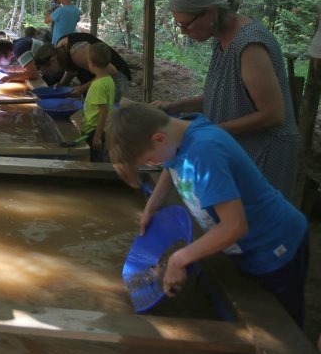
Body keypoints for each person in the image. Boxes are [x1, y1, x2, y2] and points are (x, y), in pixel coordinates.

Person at [106, 103, 309, 326]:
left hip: (275, 245)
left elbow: (235, 226)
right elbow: (170, 164)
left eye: (149, 161)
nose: (152, 164)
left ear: (158, 138)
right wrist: (151, 207)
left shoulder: (203, 154)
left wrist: (178, 258)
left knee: (283, 321)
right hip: (247, 245)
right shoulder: (178, 131)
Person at [153, 0, 299, 200]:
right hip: (239, 145)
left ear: (210, 13)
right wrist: (176, 106)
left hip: (265, 150)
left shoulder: (250, 45)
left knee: (257, 221)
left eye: (186, 24)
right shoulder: (220, 40)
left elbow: (273, 115)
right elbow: (225, 95)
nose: (183, 32)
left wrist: (208, 132)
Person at [50, 32, 131, 104]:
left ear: (53, 60)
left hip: (116, 76)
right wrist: (63, 83)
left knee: (98, 108)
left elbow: (111, 71)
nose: (47, 73)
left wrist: (82, 89)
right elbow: (70, 67)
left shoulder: (77, 51)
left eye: (46, 70)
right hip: (101, 77)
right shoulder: (61, 48)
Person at [81, 43, 115, 161]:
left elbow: (103, 111)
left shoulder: (98, 85)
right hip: (99, 128)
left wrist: (97, 137)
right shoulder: (108, 79)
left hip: (93, 129)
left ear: (91, 63)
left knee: (93, 160)